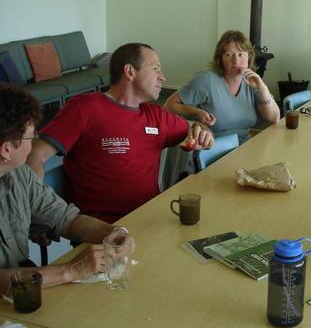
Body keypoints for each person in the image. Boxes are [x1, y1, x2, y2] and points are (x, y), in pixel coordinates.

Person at [26, 43, 213, 223]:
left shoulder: (155, 115)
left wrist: (201, 131)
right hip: (101, 231)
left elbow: (193, 127)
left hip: (151, 220)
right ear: (130, 72)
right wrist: (34, 208)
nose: (162, 77)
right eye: (155, 69)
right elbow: (34, 153)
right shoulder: (85, 108)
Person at [0, 83, 131, 291]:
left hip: (24, 292)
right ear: (6, 149)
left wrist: (115, 234)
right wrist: (70, 270)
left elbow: (66, 220)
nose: (34, 143)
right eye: (31, 137)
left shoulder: (17, 173)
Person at [164, 30, 280, 144]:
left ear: (249, 57)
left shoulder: (251, 82)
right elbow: (169, 106)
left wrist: (262, 88)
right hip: (213, 149)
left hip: (244, 146)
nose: (236, 60)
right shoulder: (206, 80)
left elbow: (274, 118)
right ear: (220, 59)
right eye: (228, 55)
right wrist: (197, 112)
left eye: (241, 54)